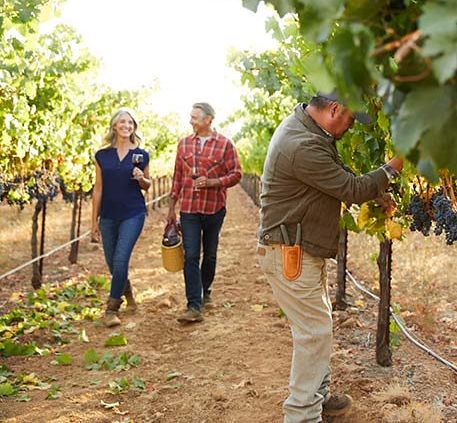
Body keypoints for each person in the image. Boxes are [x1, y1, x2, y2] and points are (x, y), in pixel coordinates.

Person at [256, 90, 403, 422]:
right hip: (290, 252)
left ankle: (316, 397)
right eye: (351, 118)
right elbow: (350, 189)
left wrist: (376, 191)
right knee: (313, 332)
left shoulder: (307, 130)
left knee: (317, 327)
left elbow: (340, 177)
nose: (352, 125)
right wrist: (396, 165)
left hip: (298, 249)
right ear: (335, 108)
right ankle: (302, 414)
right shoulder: (303, 144)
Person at [167, 102, 242, 323]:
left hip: (214, 208)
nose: (191, 121)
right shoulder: (183, 145)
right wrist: (171, 207)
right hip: (188, 208)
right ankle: (194, 305)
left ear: (208, 119)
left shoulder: (225, 145)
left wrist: (213, 182)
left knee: (209, 254)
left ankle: (205, 290)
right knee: (191, 255)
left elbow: (237, 173)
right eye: (191, 117)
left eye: (195, 118)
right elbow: (178, 176)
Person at [91, 107, 151, 327]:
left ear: (134, 127)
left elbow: (147, 185)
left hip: (133, 213)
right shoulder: (102, 155)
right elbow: (98, 189)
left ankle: (111, 308)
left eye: (131, 123)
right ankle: (129, 296)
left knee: (120, 259)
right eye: (123, 122)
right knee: (112, 262)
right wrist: (93, 222)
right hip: (108, 214)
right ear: (115, 125)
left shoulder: (141, 155)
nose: (127, 126)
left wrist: (140, 178)